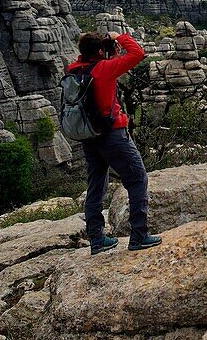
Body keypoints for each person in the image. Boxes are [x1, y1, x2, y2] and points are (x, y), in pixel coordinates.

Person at [67, 30, 161, 254]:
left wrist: (102, 50)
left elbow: (92, 72)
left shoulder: (75, 70)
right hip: (113, 135)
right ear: (100, 50)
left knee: (96, 185)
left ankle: (97, 240)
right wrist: (119, 37)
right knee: (137, 179)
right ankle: (139, 235)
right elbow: (138, 53)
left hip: (89, 136)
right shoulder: (105, 69)